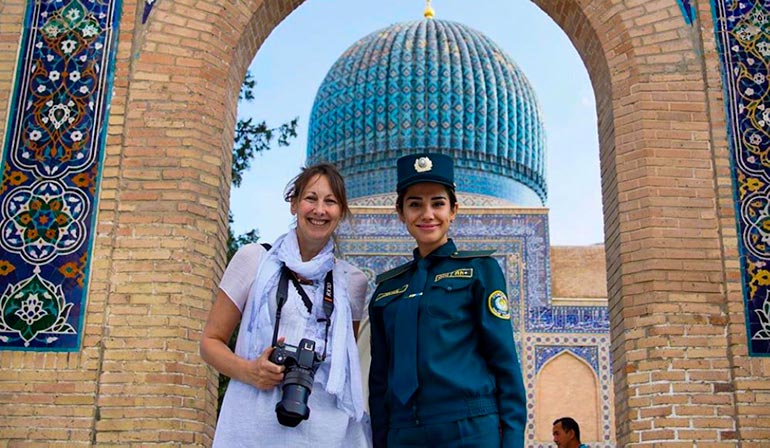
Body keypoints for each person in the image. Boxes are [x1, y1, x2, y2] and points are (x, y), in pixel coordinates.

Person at [201, 163, 371, 447]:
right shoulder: (253, 260)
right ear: (294, 204)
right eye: (310, 198)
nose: (320, 210)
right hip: (253, 427)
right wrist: (251, 371)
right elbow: (209, 343)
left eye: (330, 201)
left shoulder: (351, 281)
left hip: (327, 432)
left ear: (341, 212)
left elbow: (342, 365)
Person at [368, 153, 527, 448]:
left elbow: (504, 361)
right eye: (415, 204)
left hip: (469, 430)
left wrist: (513, 439)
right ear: (400, 212)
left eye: (438, 203)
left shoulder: (480, 271)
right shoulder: (386, 290)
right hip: (404, 433)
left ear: (454, 210)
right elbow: (379, 379)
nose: (427, 214)